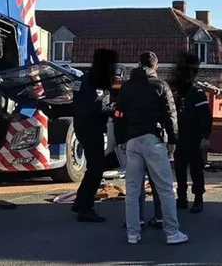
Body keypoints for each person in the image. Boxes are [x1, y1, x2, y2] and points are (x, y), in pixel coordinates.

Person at [114, 51, 188, 245]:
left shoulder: (127, 87)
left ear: (138, 64)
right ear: (156, 66)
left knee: (132, 190)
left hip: (132, 141)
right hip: (153, 140)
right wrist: (173, 140)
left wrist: (121, 138)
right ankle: (172, 232)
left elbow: (119, 114)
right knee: (164, 188)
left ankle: (133, 233)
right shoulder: (161, 86)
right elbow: (171, 115)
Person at [71, 48, 119, 223]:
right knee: (96, 169)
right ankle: (86, 208)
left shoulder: (86, 79)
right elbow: (97, 107)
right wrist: (117, 110)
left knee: (93, 167)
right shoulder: (93, 82)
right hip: (91, 129)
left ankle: (79, 201)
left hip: (84, 127)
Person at [171, 52, 212, 213]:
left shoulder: (197, 93)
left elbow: (205, 116)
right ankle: (181, 197)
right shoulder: (177, 94)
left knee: (196, 169)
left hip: (194, 138)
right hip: (179, 138)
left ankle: (198, 199)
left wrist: (205, 136)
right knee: (180, 169)